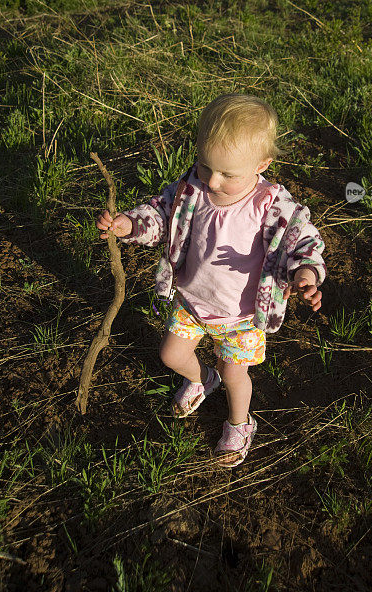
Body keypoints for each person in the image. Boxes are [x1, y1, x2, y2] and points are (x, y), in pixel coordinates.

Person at [96, 93, 326, 468]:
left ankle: (240, 423)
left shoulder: (271, 206)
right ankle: (202, 379)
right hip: (192, 302)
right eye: (205, 166)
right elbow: (160, 215)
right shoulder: (191, 189)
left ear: (262, 164)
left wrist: (305, 273)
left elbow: (302, 241)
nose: (213, 181)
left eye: (228, 174)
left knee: (236, 374)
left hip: (242, 315)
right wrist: (129, 225)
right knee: (171, 354)